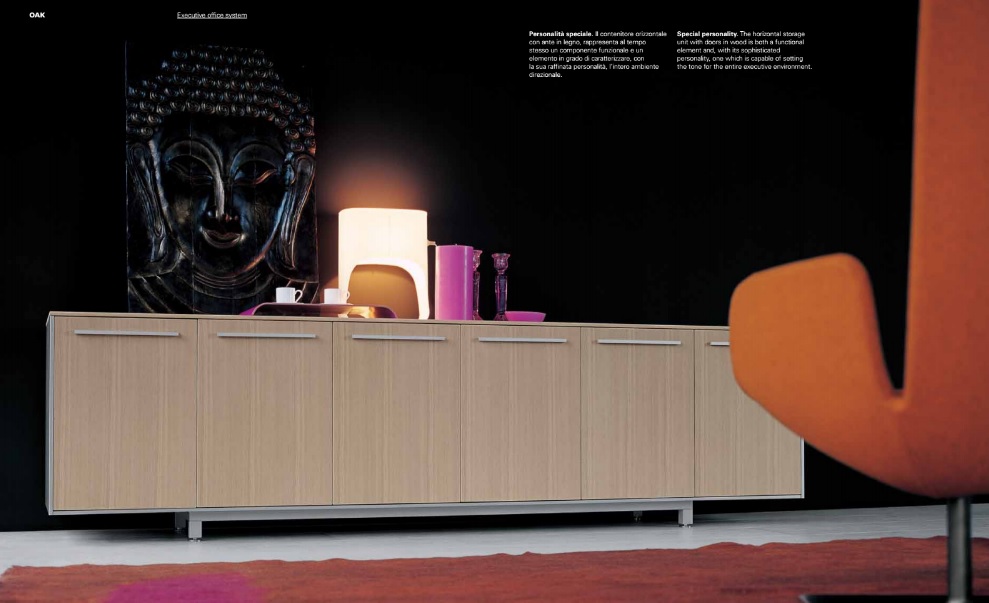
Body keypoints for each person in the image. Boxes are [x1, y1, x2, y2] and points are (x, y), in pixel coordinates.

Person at [126, 45, 318, 314]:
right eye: (192, 169)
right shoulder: (141, 295)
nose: (221, 213)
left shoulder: (303, 300)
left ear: (298, 181)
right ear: (146, 172)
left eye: (253, 173)